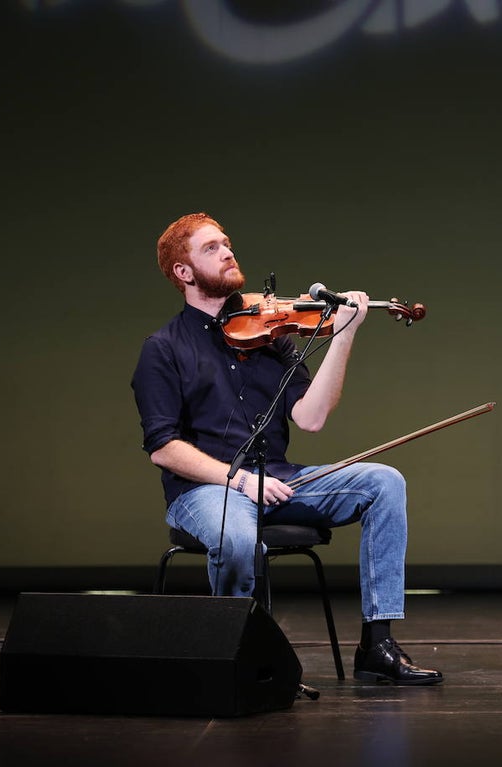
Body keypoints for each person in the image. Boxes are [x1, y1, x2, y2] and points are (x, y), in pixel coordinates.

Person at [131, 212, 442, 686]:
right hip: (205, 491)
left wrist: (343, 336)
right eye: (211, 248)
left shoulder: (270, 336)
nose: (228, 252)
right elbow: (164, 448)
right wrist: (237, 480)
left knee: (383, 481)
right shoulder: (164, 348)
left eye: (228, 243)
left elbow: (311, 418)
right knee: (235, 535)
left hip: (279, 480)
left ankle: (377, 646)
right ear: (183, 272)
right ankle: (242, 655)